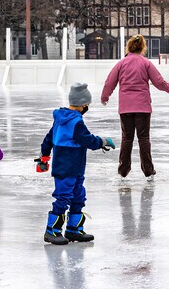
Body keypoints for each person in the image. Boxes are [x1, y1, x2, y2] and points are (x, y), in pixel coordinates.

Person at [38, 82, 115, 245]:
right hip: (66, 168)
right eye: (87, 104)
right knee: (63, 197)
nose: (88, 106)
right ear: (82, 104)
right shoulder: (76, 123)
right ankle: (52, 230)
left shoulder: (61, 120)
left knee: (78, 196)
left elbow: (48, 139)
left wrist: (44, 155)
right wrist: (102, 141)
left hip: (76, 168)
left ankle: (73, 229)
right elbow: (87, 140)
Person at [101, 34, 169, 180]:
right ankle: (148, 170)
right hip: (143, 108)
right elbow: (159, 82)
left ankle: (123, 170)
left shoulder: (121, 63)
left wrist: (105, 97)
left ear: (128, 47)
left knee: (127, 139)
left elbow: (109, 82)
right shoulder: (146, 63)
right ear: (142, 48)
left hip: (126, 108)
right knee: (144, 139)